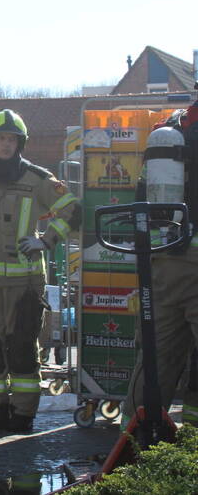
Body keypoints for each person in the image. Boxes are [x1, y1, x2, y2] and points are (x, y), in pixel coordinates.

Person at [0, 109, 81, 433]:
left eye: (12, 139)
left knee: (23, 349)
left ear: (20, 144)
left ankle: (23, 415)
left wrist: (47, 240)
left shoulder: (37, 179)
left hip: (26, 284)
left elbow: (72, 209)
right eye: (1, 138)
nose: (6, 145)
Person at [122, 108, 198, 431]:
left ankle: (131, 449)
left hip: (166, 259)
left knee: (157, 358)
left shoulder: (170, 127)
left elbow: (142, 196)